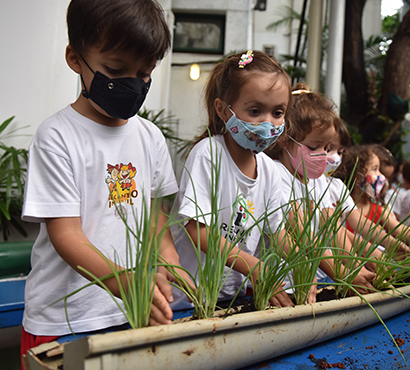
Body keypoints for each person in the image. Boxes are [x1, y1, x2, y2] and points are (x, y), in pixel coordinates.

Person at [20, 0, 190, 364]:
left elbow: (155, 217)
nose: (132, 83)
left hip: (128, 311)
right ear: (76, 59)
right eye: (116, 69)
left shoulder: (150, 137)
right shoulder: (57, 136)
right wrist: (125, 283)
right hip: (65, 316)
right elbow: (66, 234)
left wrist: (168, 261)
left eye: (145, 73)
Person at [170, 50, 305, 311]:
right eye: (255, 111)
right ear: (223, 110)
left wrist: (302, 271)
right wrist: (253, 265)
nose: (268, 123)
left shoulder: (269, 170)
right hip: (189, 300)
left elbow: (278, 234)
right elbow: (197, 231)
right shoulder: (208, 154)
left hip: (232, 297)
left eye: (278, 113)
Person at [265, 83, 376, 295]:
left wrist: (356, 266)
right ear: (284, 140)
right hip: (283, 285)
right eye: (313, 147)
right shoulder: (276, 175)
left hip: (312, 279)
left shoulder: (316, 180)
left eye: (326, 147)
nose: (323, 155)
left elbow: (332, 229)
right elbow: (302, 234)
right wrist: (344, 274)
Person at [333, 145, 410, 257]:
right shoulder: (338, 208)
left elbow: (401, 230)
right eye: (374, 169)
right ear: (356, 175)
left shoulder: (377, 210)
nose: (381, 176)